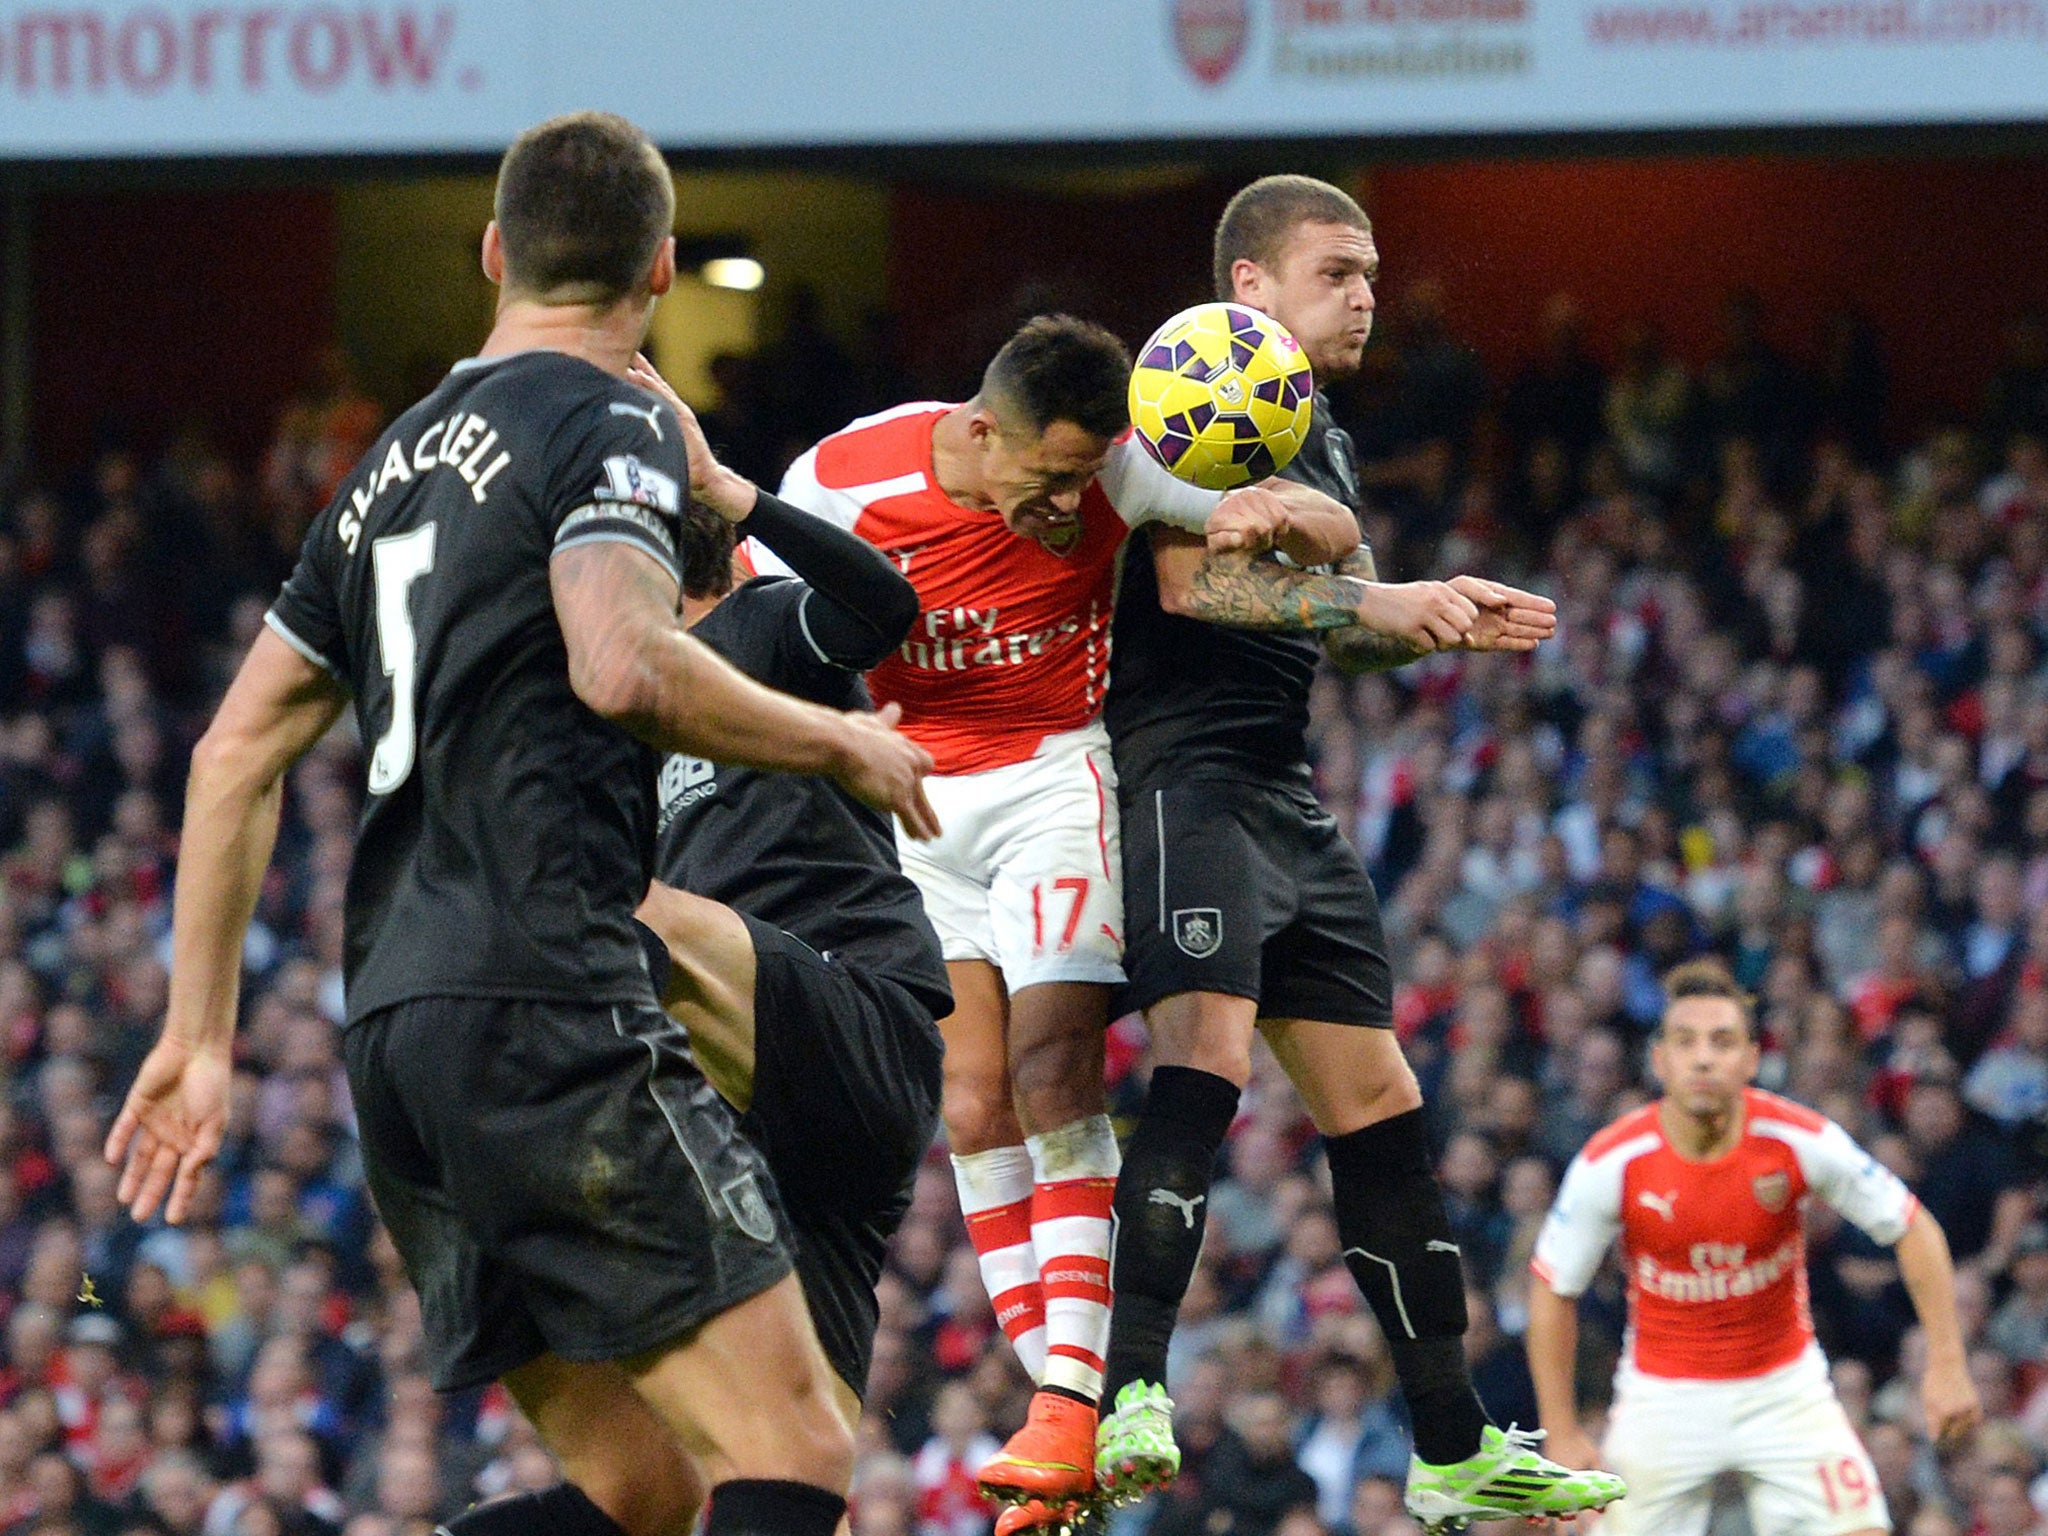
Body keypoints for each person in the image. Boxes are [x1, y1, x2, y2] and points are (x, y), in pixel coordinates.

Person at [104, 112, 939, 1536]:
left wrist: (196, 1037)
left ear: (495, 253)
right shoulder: (605, 414)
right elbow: (622, 658)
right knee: (800, 1452)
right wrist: (837, 740)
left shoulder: (381, 473)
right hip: (548, 1001)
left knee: (641, 1492)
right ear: (661, 272)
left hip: (398, 1041)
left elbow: (232, 750)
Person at [774, 313, 1374, 1510]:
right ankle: (1062, 1418)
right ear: (982, 430)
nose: (1066, 505)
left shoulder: (1120, 462)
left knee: (1054, 1066)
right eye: (1045, 478)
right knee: (969, 1098)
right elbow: (753, 626)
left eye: (1081, 479)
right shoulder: (838, 481)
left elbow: (1339, 529)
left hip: (1057, 777)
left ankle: (1062, 1403)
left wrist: (1273, 512)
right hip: (915, 800)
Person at [1089, 173, 1616, 1534]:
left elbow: (1344, 624)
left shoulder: (1310, 432)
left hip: (1280, 787)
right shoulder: (1189, 393)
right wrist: (1378, 590)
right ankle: (1127, 1393)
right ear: (1250, 287)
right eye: (1338, 270)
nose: (1368, 294)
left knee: (1381, 1106)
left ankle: (1449, 1445)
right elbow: (1191, 581)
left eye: (1373, 270)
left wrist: (1432, 614)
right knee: (1200, 1064)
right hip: (1181, 777)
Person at [1526, 959, 1984, 1536]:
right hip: (1663, 1400)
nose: (1703, 1058)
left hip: (1784, 1390)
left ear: (1751, 1059)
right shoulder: (1610, 1162)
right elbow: (1552, 1286)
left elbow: (1913, 1228)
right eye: (1685, 1042)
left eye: (1722, 1042)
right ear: (1659, 1060)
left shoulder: (1798, 1139)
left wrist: (1946, 1362)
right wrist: (1560, 1429)